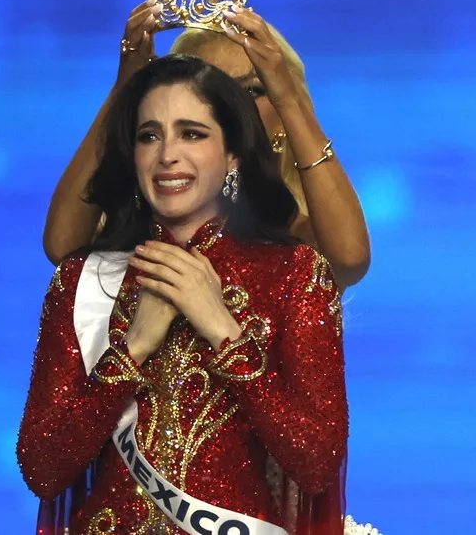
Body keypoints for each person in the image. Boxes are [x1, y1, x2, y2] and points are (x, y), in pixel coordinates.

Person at [18, 54, 348, 534]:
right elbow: (42, 469)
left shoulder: (294, 274)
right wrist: (131, 349)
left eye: (192, 134)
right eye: (149, 136)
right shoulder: (84, 279)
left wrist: (223, 331)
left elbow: (316, 462)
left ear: (233, 154)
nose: (167, 155)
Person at [42, 0, 371, 291]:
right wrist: (126, 86)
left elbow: (349, 260)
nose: (233, 112)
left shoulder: (303, 243)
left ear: (284, 120)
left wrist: (288, 98)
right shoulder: (138, 235)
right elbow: (63, 248)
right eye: (208, 96)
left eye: (253, 91)